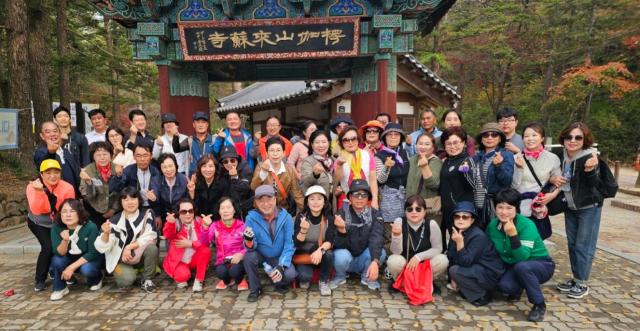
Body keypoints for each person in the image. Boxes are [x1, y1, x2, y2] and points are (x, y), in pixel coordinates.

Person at [553, 122, 605, 299]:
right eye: (569, 137)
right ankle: (576, 279)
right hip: (571, 207)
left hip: (588, 208)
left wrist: (591, 171)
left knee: (584, 245)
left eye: (578, 137)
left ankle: (582, 282)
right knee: (572, 244)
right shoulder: (561, 155)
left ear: (585, 140)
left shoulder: (589, 157)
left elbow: (594, 185)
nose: (573, 140)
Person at [487, 188, 555, 322]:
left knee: (522, 267)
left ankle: (539, 305)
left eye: (509, 208)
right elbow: (490, 251)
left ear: (516, 208)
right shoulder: (493, 225)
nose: (504, 212)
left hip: (540, 264)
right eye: (500, 207)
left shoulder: (526, 225)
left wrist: (513, 235)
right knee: (505, 287)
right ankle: (519, 288)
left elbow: (522, 257)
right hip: (514, 265)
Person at [95, 187, 159, 292]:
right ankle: (129, 274)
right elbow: (102, 246)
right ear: (121, 202)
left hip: (139, 254)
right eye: (126, 199)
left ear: (139, 200)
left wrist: (129, 247)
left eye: (133, 198)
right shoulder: (114, 221)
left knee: (152, 248)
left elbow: (150, 235)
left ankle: (147, 279)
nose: (130, 202)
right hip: (121, 259)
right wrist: (106, 234)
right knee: (126, 280)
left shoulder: (147, 215)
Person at [26, 159, 76, 292]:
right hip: (38, 222)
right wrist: (40, 192)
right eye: (48, 173)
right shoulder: (32, 187)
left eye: (56, 172)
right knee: (47, 247)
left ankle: (60, 272)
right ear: (41, 174)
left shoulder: (67, 187)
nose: (52, 176)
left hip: (58, 221)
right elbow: (38, 209)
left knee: (63, 246)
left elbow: (68, 208)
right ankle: (40, 279)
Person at [243, 185, 297, 302]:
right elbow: (250, 248)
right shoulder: (250, 218)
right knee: (248, 257)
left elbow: (289, 244)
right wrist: (249, 240)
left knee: (290, 274)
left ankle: (278, 281)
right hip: (261, 256)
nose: (265, 204)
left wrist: (281, 266)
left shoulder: (286, 217)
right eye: (261, 200)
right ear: (256, 202)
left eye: (269, 199)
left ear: (275, 199)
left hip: (278, 256)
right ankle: (255, 289)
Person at [387, 195, 448, 295]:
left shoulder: (432, 224)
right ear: (405, 212)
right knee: (393, 260)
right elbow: (396, 251)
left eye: (418, 209)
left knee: (442, 260)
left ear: (424, 211)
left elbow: (438, 249)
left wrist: (418, 257)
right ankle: (399, 281)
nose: (414, 212)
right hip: (405, 265)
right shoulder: (399, 222)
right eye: (409, 209)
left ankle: (428, 281)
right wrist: (396, 236)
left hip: (425, 266)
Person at [446, 201, 504, 306]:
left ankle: (483, 294)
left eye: (465, 217)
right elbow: (451, 256)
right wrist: (453, 279)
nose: (460, 219)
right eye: (457, 216)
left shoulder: (478, 236)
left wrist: (459, 243)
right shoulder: (456, 232)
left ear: (472, 220)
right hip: (475, 269)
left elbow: (466, 261)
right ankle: (471, 290)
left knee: (455, 270)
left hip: (489, 273)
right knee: (453, 270)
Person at [330, 179, 385, 290]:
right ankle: (340, 275)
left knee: (381, 253)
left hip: (364, 258)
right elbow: (336, 244)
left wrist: (375, 261)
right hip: (346, 259)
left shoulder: (375, 214)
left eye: (364, 195)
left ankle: (367, 276)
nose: (360, 198)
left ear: (368, 198)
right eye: (356, 194)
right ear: (350, 197)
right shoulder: (341, 213)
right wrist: (341, 230)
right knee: (339, 255)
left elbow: (377, 238)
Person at [49, 199, 103, 300]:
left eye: (72, 211)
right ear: (60, 214)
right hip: (69, 257)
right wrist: (65, 241)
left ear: (80, 212)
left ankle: (97, 279)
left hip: (89, 258)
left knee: (87, 270)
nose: (68, 215)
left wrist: (71, 268)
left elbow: (92, 253)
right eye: (64, 211)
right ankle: (60, 288)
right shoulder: (56, 227)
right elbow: (58, 253)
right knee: (56, 261)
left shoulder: (90, 227)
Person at [512, 123, 561, 229]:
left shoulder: (552, 158)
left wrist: (552, 195)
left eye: (534, 135)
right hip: (518, 208)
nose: (530, 139)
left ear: (542, 138)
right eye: (526, 136)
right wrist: (519, 168)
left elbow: (559, 182)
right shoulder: (516, 158)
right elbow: (513, 186)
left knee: (537, 240)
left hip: (539, 208)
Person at [292, 186, 335, 296]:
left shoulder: (328, 218)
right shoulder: (301, 217)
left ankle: (324, 281)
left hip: (320, 254)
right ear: (307, 202)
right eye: (312, 199)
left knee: (329, 254)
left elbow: (330, 241)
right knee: (304, 279)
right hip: (305, 255)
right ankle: (306, 275)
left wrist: (320, 251)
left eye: (319, 198)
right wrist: (303, 231)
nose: (316, 202)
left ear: (324, 202)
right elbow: (296, 244)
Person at [198, 197, 248, 291]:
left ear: (234, 210)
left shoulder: (242, 225)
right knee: (221, 272)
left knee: (235, 271)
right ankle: (227, 280)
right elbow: (204, 243)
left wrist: (241, 254)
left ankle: (240, 279)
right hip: (222, 261)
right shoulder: (215, 225)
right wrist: (205, 227)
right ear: (219, 211)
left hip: (239, 260)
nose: (225, 210)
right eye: (222, 208)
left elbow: (250, 245)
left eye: (228, 207)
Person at [439, 127, 478, 246]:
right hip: (447, 210)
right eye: (448, 143)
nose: (452, 146)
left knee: (462, 242)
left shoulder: (467, 161)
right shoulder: (447, 161)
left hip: (462, 211)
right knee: (452, 241)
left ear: (464, 143)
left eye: (456, 142)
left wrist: (465, 172)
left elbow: (473, 185)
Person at [162, 198, 211, 292]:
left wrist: (191, 243)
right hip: (180, 260)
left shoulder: (200, 221)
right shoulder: (176, 223)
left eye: (190, 211)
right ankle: (187, 274)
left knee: (205, 250)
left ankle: (199, 280)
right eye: (184, 211)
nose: (188, 214)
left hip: (194, 258)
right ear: (178, 213)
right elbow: (168, 235)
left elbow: (206, 243)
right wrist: (170, 223)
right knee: (183, 277)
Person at [473, 123, 515, 227]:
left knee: (494, 236)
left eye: (494, 135)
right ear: (481, 139)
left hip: (493, 205)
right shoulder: (476, 157)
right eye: (486, 135)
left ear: (500, 138)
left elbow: (507, 182)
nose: (489, 138)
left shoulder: (505, 155)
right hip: (475, 205)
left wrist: (499, 166)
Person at [251, 136, 304, 214]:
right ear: (267, 153)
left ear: (283, 153)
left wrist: (306, 211)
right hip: (262, 209)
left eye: (278, 150)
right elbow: (253, 187)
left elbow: (297, 194)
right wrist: (263, 172)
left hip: (281, 210)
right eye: (271, 150)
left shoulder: (289, 170)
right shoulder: (260, 166)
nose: (275, 154)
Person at [333, 125, 379, 209]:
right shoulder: (339, 159)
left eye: (353, 139)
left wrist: (375, 200)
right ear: (341, 142)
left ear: (358, 139)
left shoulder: (368, 155)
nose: (350, 142)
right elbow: (337, 179)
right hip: (347, 199)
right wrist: (339, 165)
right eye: (346, 140)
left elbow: (373, 180)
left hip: (366, 198)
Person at [79, 141, 120, 227]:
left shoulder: (117, 169)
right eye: (98, 155)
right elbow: (88, 196)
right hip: (94, 210)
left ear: (111, 155)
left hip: (115, 211)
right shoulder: (87, 171)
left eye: (105, 154)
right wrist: (88, 182)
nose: (102, 157)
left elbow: (121, 191)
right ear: (93, 157)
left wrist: (113, 209)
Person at [375, 123, 410, 226]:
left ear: (401, 137)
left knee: (404, 230)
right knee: (390, 232)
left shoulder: (404, 153)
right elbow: (380, 180)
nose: (393, 137)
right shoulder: (379, 156)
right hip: (388, 200)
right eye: (390, 134)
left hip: (405, 198)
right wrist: (386, 167)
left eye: (396, 134)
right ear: (385, 138)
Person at [109, 144, 160, 209]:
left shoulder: (155, 171)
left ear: (151, 156)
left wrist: (154, 197)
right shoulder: (128, 170)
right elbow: (113, 188)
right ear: (134, 157)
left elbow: (157, 190)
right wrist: (118, 176)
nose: (142, 159)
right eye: (138, 156)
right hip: (134, 207)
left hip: (152, 206)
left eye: (145, 155)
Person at [34, 121, 80, 188]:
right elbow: (42, 163)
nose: (52, 134)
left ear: (60, 133)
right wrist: (51, 153)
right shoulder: (40, 152)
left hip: (72, 194)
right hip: (55, 194)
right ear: (42, 136)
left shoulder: (67, 151)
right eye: (47, 132)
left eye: (55, 131)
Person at [148, 153, 189, 229]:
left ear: (176, 166)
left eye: (170, 166)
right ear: (160, 169)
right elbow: (154, 196)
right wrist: (157, 215)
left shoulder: (184, 179)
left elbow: (187, 201)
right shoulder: (156, 180)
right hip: (163, 215)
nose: (168, 170)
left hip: (180, 215)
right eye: (164, 167)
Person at [217, 146, 254, 216]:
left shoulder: (245, 169)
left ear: (237, 160)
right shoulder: (221, 172)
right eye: (225, 161)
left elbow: (245, 190)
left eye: (232, 160)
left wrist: (235, 178)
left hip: (244, 210)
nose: (229, 163)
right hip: (227, 209)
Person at [406, 133, 442, 202]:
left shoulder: (436, 162)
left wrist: (425, 166)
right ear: (416, 145)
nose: (423, 147)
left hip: (426, 204)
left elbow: (434, 185)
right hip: (410, 203)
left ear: (433, 148)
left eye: (427, 144)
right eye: (420, 143)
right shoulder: (413, 159)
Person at [299, 130, 334, 198]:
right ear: (312, 145)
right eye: (317, 142)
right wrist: (314, 175)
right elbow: (305, 183)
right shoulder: (308, 162)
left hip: (332, 204)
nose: (321, 145)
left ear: (329, 143)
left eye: (324, 142)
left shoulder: (334, 160)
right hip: (316, 204)